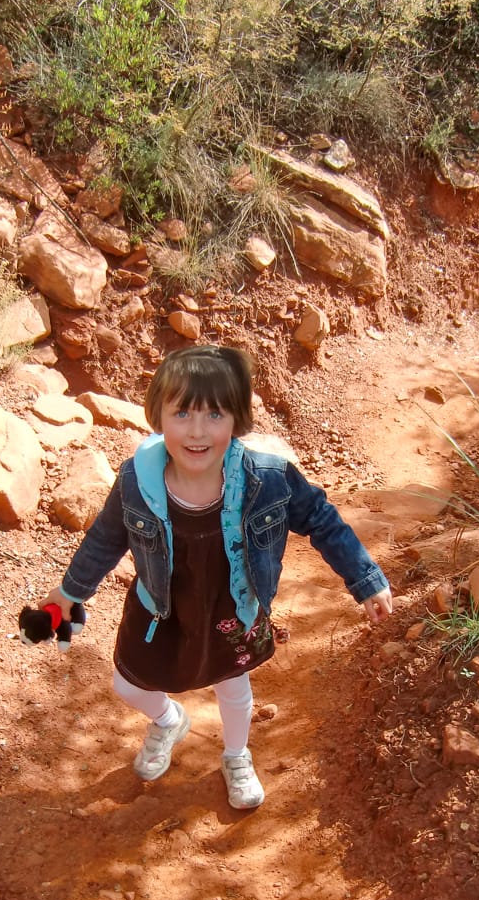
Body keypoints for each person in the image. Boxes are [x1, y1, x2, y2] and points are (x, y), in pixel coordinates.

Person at [39, 345, 392, 809]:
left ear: (237, 420)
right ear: (158, 415)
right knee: (127, 684)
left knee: (232, 684)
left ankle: (236, 753)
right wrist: (68, 593)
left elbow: (322, 520)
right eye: (182, 413)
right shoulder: (135, 483)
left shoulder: (269, 480)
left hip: (233, 607)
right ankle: (168, 720)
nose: (198, 431)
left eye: (215, 414)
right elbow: (106, 540)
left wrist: (366, 580)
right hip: (160, 608)